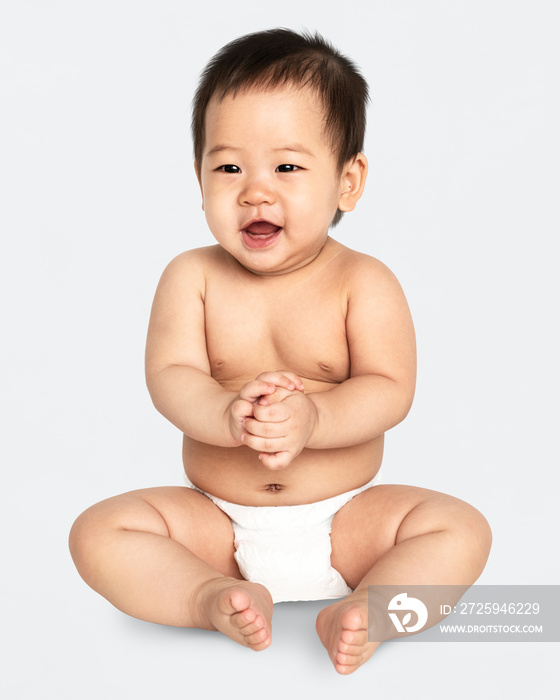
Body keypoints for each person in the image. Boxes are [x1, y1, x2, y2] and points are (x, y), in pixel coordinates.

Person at [69, 28, 491, 675]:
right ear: (198, 176)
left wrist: (316, 420)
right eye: (229, 166)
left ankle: (370, 607)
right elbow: (170, 375)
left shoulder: (364, 282)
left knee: (460, 531)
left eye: (287, 167)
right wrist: (222, 414)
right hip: (216, 528)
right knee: (97, 532)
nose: (255, 190)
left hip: (349, 521)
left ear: (348, 182)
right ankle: (207, 596)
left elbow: (389, 388)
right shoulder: (192, 277)